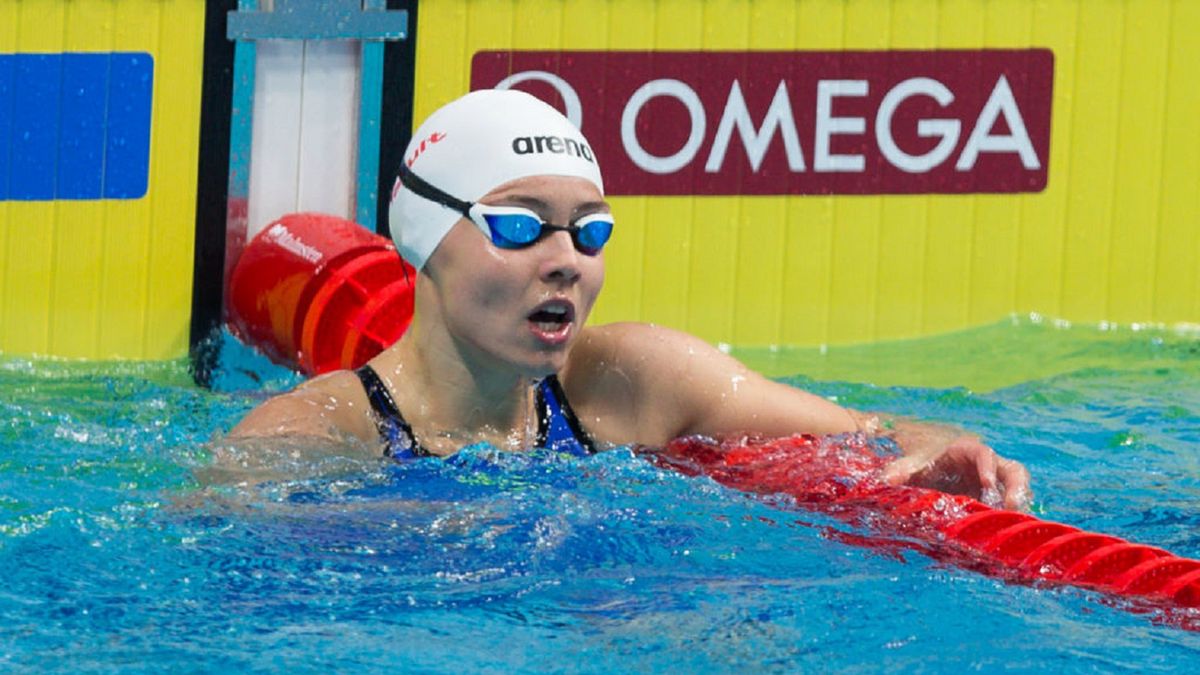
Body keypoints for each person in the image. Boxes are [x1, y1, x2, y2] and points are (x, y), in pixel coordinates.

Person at [225, 89, 1031, 510]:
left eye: (591, 231)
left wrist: (943, 444)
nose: (566, 261)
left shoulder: (635, 380)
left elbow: (876, 431)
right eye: (521, 227)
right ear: (425, 241)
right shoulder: (310, 437)